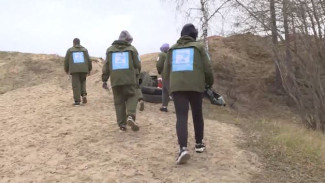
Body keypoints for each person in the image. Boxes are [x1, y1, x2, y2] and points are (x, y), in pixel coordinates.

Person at [164, 23, 214, 164]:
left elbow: (165, 71)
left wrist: (168, 88)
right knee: (197, 114)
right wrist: (209, 83)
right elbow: (207, 68)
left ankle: (183, 149)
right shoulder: (199, 48)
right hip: (196, 87)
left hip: (178, 88)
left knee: (181, 117)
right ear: (194, 36)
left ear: (182, 35)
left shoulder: (172, 49)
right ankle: (199, 144)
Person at [102, 30, 141, 132]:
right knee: (132, 96)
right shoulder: (132, 49)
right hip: (129, 80)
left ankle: (122, 126)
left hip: (116, 81)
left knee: (119, 102)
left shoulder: (110, 50)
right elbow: (137, 64)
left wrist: (104, 80)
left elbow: (106, 67)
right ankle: (130, 115)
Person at [64, 38, 92, 106]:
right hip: (84, 69)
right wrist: (89, 69)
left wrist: (66, 69)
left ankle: (77, 101)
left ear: (73, 43)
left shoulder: (70, 50)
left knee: (76, 85)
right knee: (83, 82)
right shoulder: (84, 50)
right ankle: (84, 95)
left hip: (74, 70)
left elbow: (66, 61)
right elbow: (89, 60)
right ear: (79, 43)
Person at [156, 43, 170, 112]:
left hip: (165, 74)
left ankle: (179, 107)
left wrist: (159, 71)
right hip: (171, 74)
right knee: (165, 90)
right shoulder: (169, 54)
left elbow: (159, 64)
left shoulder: (161, 54)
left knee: (168, 90)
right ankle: (164, 107)